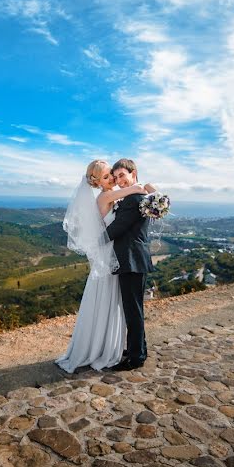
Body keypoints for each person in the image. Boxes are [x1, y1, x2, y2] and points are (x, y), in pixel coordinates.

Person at [56, 160, 154, 373]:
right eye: (109, 176)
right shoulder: (108, 196)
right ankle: (128, 350)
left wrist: (150, 190)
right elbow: (136, 190)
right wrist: (145, 187)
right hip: (114, 260)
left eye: (116, 175)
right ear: (98, 182)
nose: (114, 180)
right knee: (122, 307)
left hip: (124, 260)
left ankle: (134, 353)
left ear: (132, 173)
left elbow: (131, 210)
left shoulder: (127, 198)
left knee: (129, 309)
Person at [105, 158, 154, 371]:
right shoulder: (138, 196)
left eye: (122, 175)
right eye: (116, 178)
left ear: (134, 174)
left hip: (131, 260)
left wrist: (93, 241)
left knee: (132, 311)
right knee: (135, 309)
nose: (119, 181)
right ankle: (138, 348)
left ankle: (136, 357)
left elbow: (116, 228)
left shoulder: (133, 199)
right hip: (135, 259)